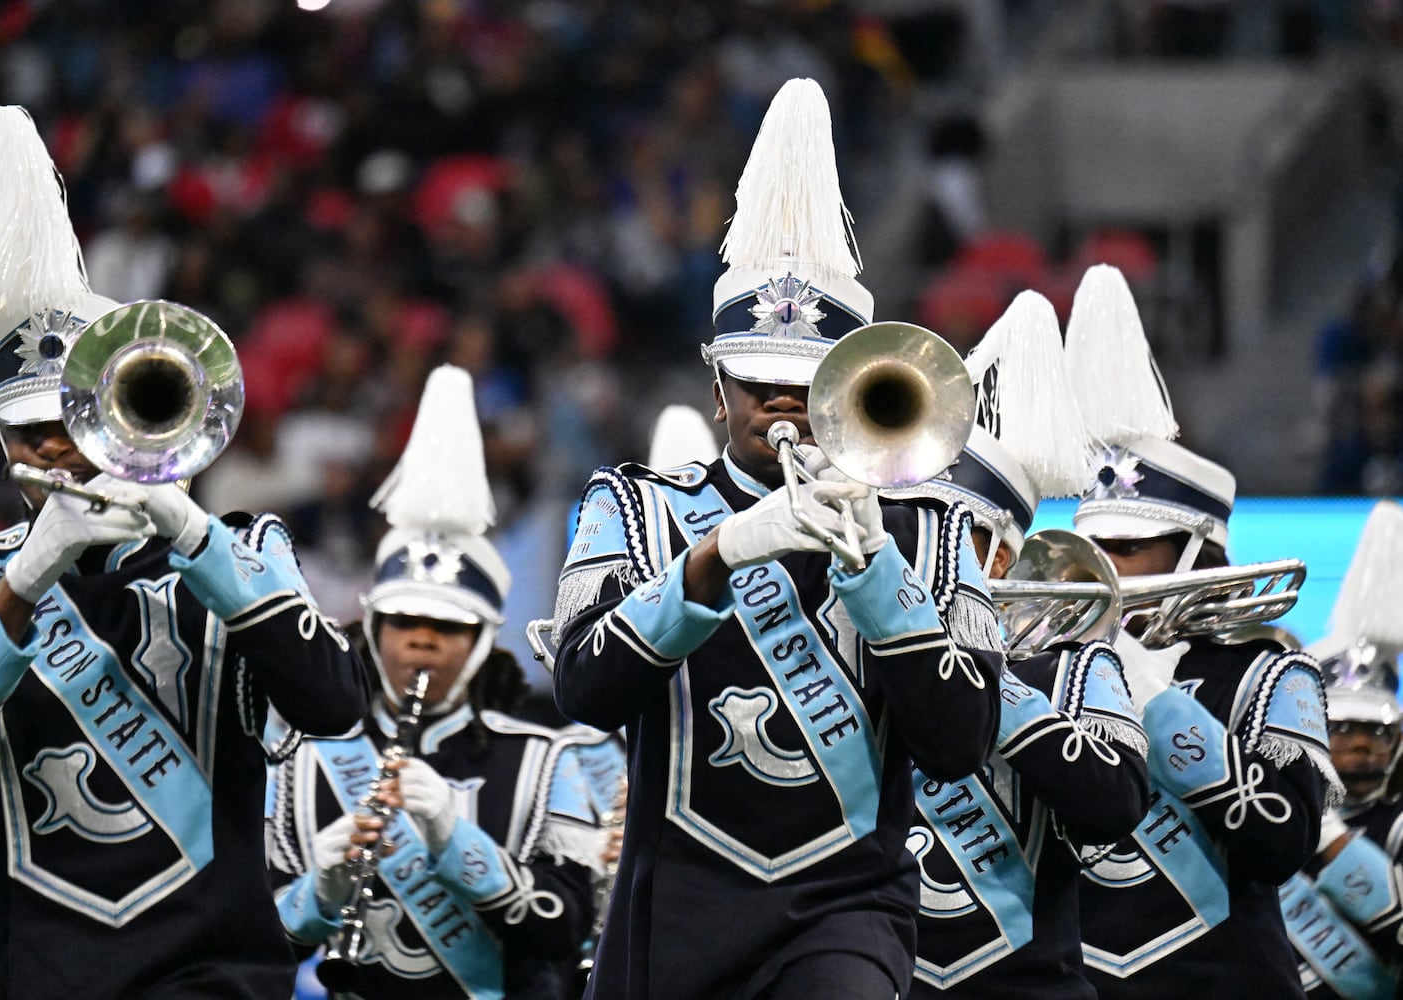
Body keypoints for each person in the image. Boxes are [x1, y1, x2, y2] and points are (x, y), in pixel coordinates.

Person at [550, 78, 1003, 1000]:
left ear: (854, 381)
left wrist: (877, 571)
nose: (779, 402)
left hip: (848, 909)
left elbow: (961, 741)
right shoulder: (630, 506)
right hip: (669, 909)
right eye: (756, 380)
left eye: (804, 379)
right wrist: (713, 557)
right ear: (717, 386)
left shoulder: (935, 528)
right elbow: (584, 687)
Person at [0, 105, 368, 998]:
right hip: (30, 975)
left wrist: (190, 531)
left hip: (218, 974)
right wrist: (23, 584)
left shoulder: (240, 548)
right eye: (33, 433)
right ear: (1, 440)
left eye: (79, 425)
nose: (59, 452)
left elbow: (332, 702)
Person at [268, 364, 600, 999]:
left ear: (479, 644)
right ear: (373, 629)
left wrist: (455, 840)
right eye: (403, 622)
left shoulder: (545, 759)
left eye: (446, 627)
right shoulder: (300, 758)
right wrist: (323, 888)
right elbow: (255, 941)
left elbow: (567, 927)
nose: (421, 639)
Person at [1065, 264, 1340, 999]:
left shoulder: (1271, 673)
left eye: (1127, 548)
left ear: (1194, 551)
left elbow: (1280, 842)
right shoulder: (1055, 665)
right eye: (1097, 548)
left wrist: (1159, 704)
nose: (1106, 571)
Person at [895, 289, 1152, 996]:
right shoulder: (854, 646)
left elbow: (1119, 802)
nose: (927, 552)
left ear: (1002, 561)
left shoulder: (1071, 665)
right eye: (911, 530)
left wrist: (976, 681)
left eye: (956, 538)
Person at [1281, 499, 1403, 998]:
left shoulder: (1397, 822)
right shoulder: (1271, 812)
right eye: (1344, 727)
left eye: (1377, 732)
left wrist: (1326, 834)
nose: (1360, 744)